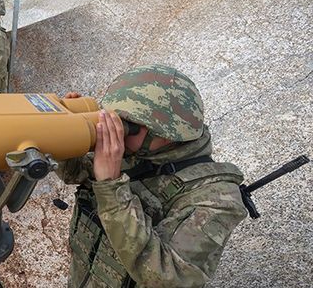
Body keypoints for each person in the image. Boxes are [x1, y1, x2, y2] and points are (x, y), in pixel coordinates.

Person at [56, 64, 247, 287]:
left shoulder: (217, 201)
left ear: (166, 134)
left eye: (127, 124)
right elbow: (74, 173)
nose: (115, 128)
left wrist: (110, 186)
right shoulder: (139, 151)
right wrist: (63, 134)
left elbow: (170, 278)